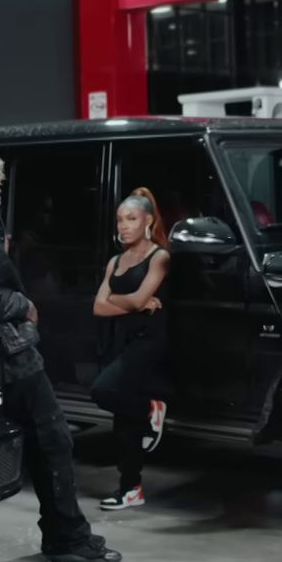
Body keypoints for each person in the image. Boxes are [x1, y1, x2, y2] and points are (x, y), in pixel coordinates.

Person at [0, 154, 124, 562]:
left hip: (6, 350)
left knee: (49, 441)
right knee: (52, 439)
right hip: (6, 353)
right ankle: (66, 536)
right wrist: (20, 302)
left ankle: (66, 533)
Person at [90, 188, 173, 509]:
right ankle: (131, 488)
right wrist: (132, 303)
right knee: (123, 421)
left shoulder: (160, 257)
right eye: (120, 220)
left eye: (132, 219)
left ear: (148, 221)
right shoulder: (114, 261)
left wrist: (120, 301)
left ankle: (150, 409)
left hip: (149, 343)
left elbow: (139, 300)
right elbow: (98, 307)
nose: (124, 226)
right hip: (121, 341)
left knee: (103, 391)